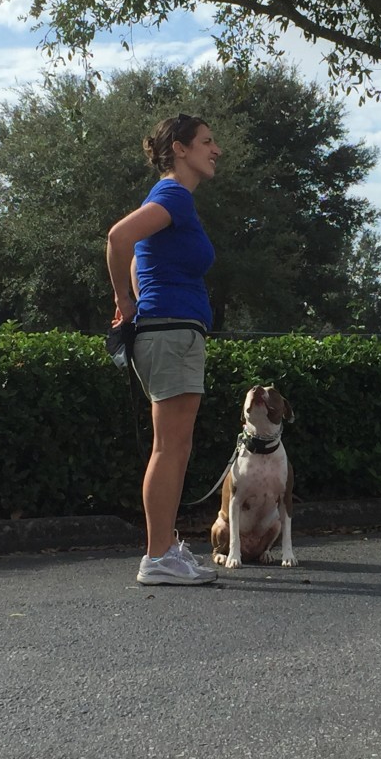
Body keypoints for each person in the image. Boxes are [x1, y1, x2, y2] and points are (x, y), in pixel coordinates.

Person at [106, 113, 222, 586]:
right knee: (170, 448)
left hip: (170, 329)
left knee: (174, 446)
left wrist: (138, 297)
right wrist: (125, 301)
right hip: (170, 332)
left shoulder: (174, 201)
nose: (216, 150)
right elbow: (119, 238)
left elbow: (138, 256)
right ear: (179, 148)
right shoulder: (173, 193)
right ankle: (157, 558)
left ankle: (165, 549)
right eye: (207, 141)